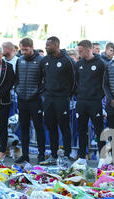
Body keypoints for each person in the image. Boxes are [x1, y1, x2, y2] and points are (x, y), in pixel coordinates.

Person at [39, 36, 75, 165]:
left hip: (62, 99)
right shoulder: (45, 61)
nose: (46, 47)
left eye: (48, 45)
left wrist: (67, 95)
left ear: (56, 45)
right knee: (51, 127)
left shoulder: (67, 60)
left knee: (64, 127)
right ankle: (53, 155)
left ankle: (66, 154)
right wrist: (44, 91)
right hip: (48, 99)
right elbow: (41, 78)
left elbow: (74, 80)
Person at [14, 37, 46, 164]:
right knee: (24, 128)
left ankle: (41, 155)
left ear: (32, 48)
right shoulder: (20, 60)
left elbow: (45, 80)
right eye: (22, 50)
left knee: (38, 128)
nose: (24, 52)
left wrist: (38, 92)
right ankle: (25, 155)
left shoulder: (41, 60)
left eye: (26, 50)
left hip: (35, 100)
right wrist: (17, 89)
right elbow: (17, 78)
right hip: (22, 99)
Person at [74, 40, 106, 162]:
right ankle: (82, 157)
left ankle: (102, 158)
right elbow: (76, 81)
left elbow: (105, 83)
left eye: (80, 51)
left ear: (88, 50)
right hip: (81, 102)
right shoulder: (78, 64)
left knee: (99, 130)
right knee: (81, 129)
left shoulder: (100, 64)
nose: (79, 53)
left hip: (95, 102)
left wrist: (99, 96)